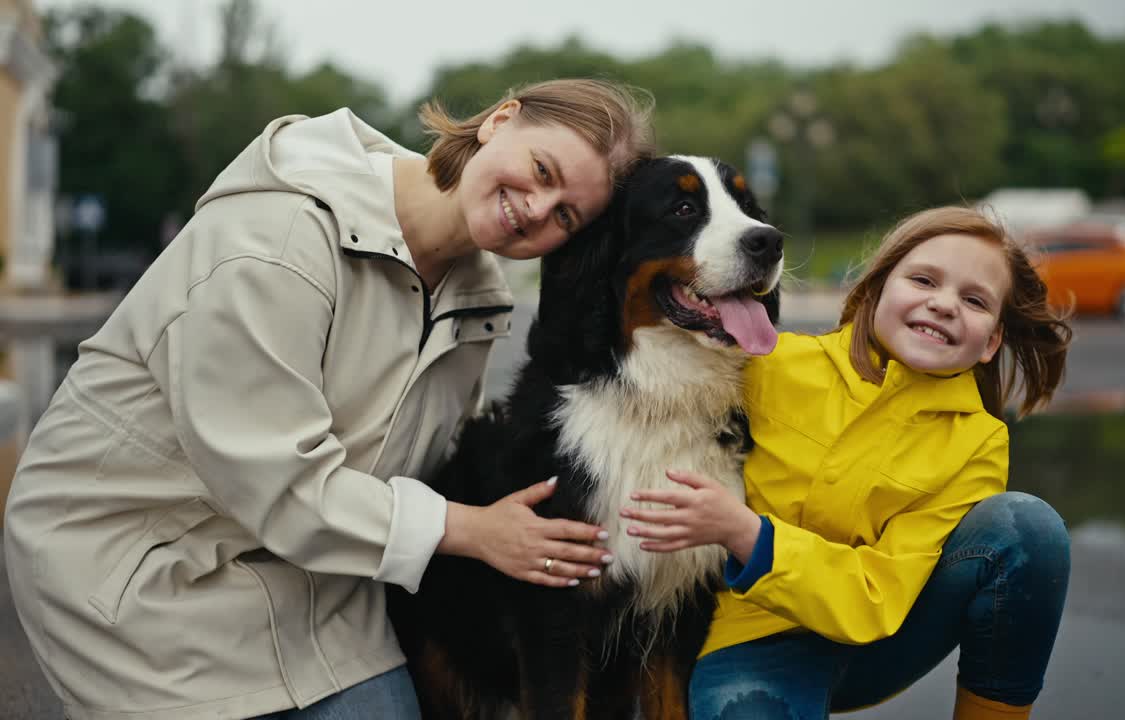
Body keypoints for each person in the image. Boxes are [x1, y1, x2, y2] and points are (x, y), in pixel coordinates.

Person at [3, 78, 654, 720]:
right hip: (145, 567)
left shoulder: (478, 295)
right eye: (542, 169)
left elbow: (422, 466)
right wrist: (475, 531)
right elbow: (277, 484)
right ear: (500, 120)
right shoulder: (275, 240)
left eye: (566, 214)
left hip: (318, 581)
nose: (538, 207)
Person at [622, 206, 1074, 719]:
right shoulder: (771, 364)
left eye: (974, 300)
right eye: (924, 279)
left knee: (1027, 529)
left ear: (992, 340)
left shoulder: (977, 440)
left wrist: (747, 535)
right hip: (746, 641)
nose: (944, 304)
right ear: (874, 291)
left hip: (876, 641)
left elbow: (879, 598)